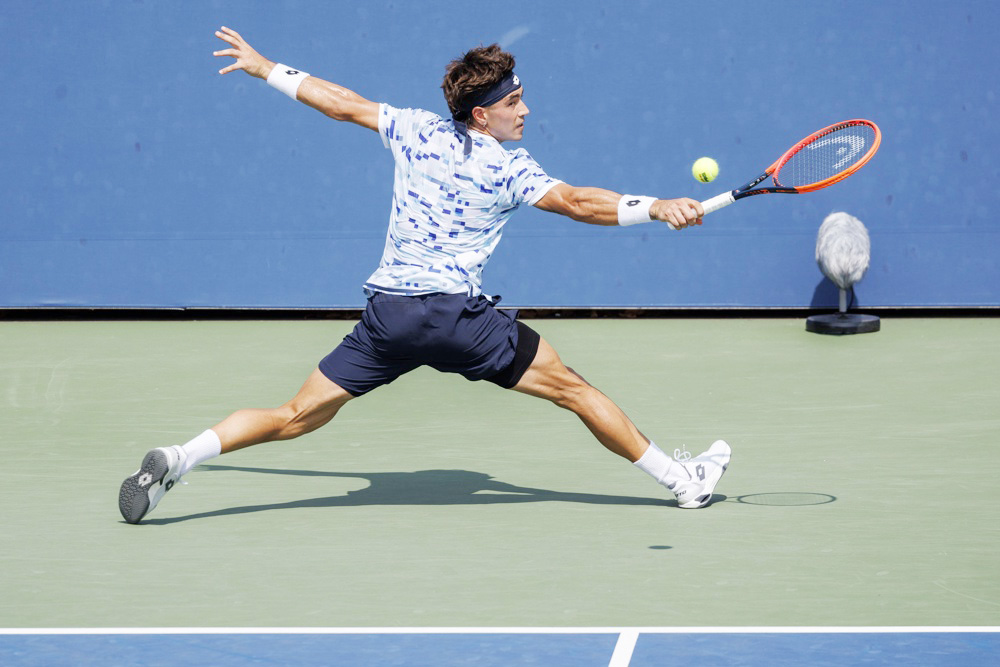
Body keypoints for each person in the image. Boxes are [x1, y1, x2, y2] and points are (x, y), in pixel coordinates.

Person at [117, 26, 731, 524]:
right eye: (514, 101)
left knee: (296, 414)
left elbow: (341, 103)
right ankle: (683, 483)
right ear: (482, 115)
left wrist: (264, 66)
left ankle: (180, 456)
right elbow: (575, 201)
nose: (526, 109)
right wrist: (653, 207)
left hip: (390, 316)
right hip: (453, 317)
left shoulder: (413, 130)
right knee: (573, 389)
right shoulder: (507, 167)